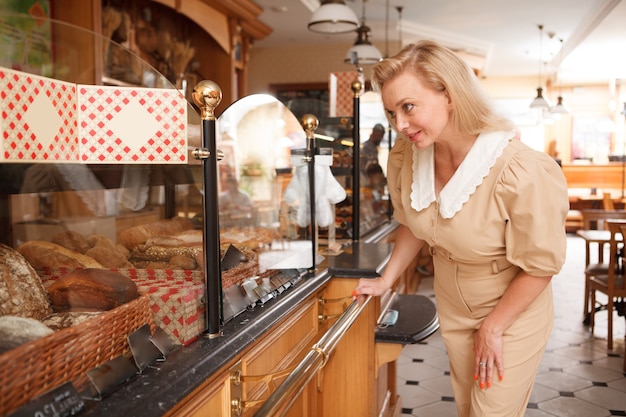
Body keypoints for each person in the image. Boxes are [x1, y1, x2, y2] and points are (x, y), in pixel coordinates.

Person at [353, 41, 568, 417]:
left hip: (512, 307)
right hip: (452, 301)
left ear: (449, 95)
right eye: (391, 112)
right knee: (469, 407)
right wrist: (386, 279)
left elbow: (541, 266)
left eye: (408, 107)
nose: (399, 125)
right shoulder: (409, 154)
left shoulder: (520, 169)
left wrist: (494, 327)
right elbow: (413, 221)